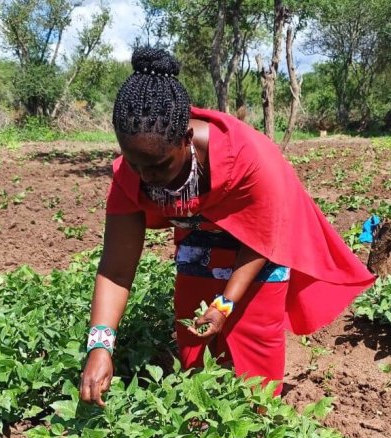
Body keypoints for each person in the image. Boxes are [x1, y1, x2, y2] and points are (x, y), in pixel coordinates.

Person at [80, 47, 375, 406]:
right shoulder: (134, 174)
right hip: (200, 237)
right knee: (195, 354)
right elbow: (115, 269)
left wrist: (225, 305)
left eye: (158, 167)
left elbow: (265, 237)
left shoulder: (250, 161)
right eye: (135, 165)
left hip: (261, 246)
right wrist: (100, 345)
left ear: (187, 140)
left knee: (256, 371)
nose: (148, 179)